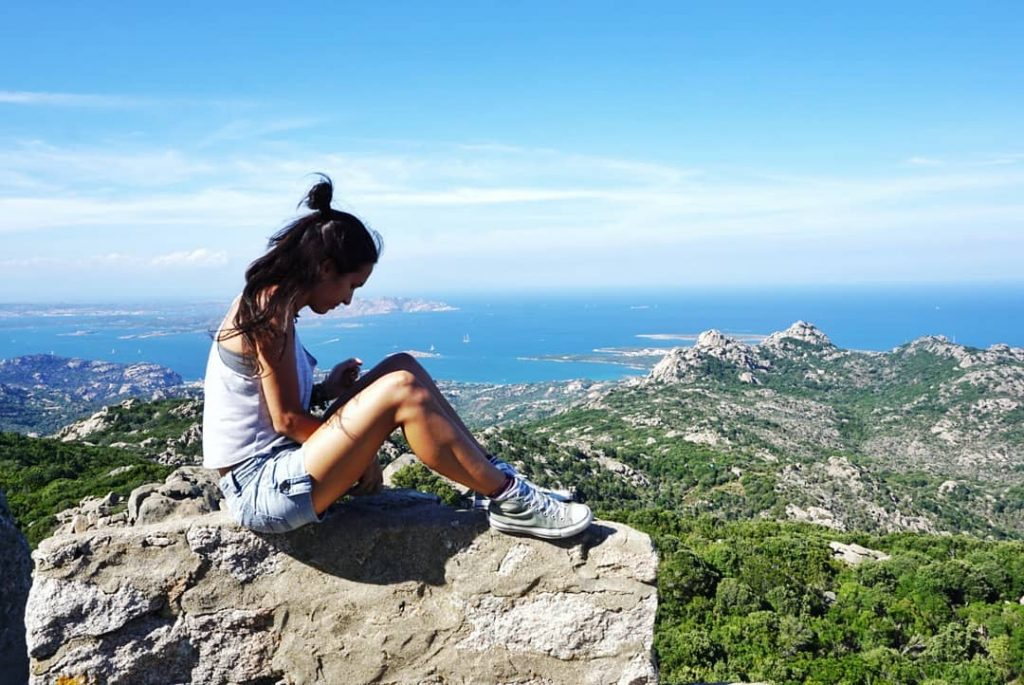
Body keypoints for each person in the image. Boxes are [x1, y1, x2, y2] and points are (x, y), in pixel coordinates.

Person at [203, 175, 592, 540]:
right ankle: (511, 499)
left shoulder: (274, 303)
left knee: (402, 365)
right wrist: (359, 458)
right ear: (325, 268)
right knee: (402, 390)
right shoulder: (269, 307)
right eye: (351, 284)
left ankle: (489, 481)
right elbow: (286, 420)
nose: (348, 299)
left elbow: (266, 405)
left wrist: (325, 391)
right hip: (260, 487)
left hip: (286, 468)